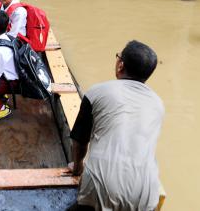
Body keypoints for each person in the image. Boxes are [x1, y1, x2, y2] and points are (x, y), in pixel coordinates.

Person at [69, 40, 164, 211]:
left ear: (120, 65)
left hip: (102, 188)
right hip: (148, 193)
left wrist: (77, 168)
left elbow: (80, 141)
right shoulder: (158, 104)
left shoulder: (96, 92)